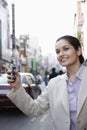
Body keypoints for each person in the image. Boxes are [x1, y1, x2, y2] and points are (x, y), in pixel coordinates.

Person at [5, 35, 87, 130]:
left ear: (78, 51)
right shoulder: (54, 84)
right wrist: (17, 87)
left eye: (66, 49)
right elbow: (35, 109)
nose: (61, 54)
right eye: (58, 52)